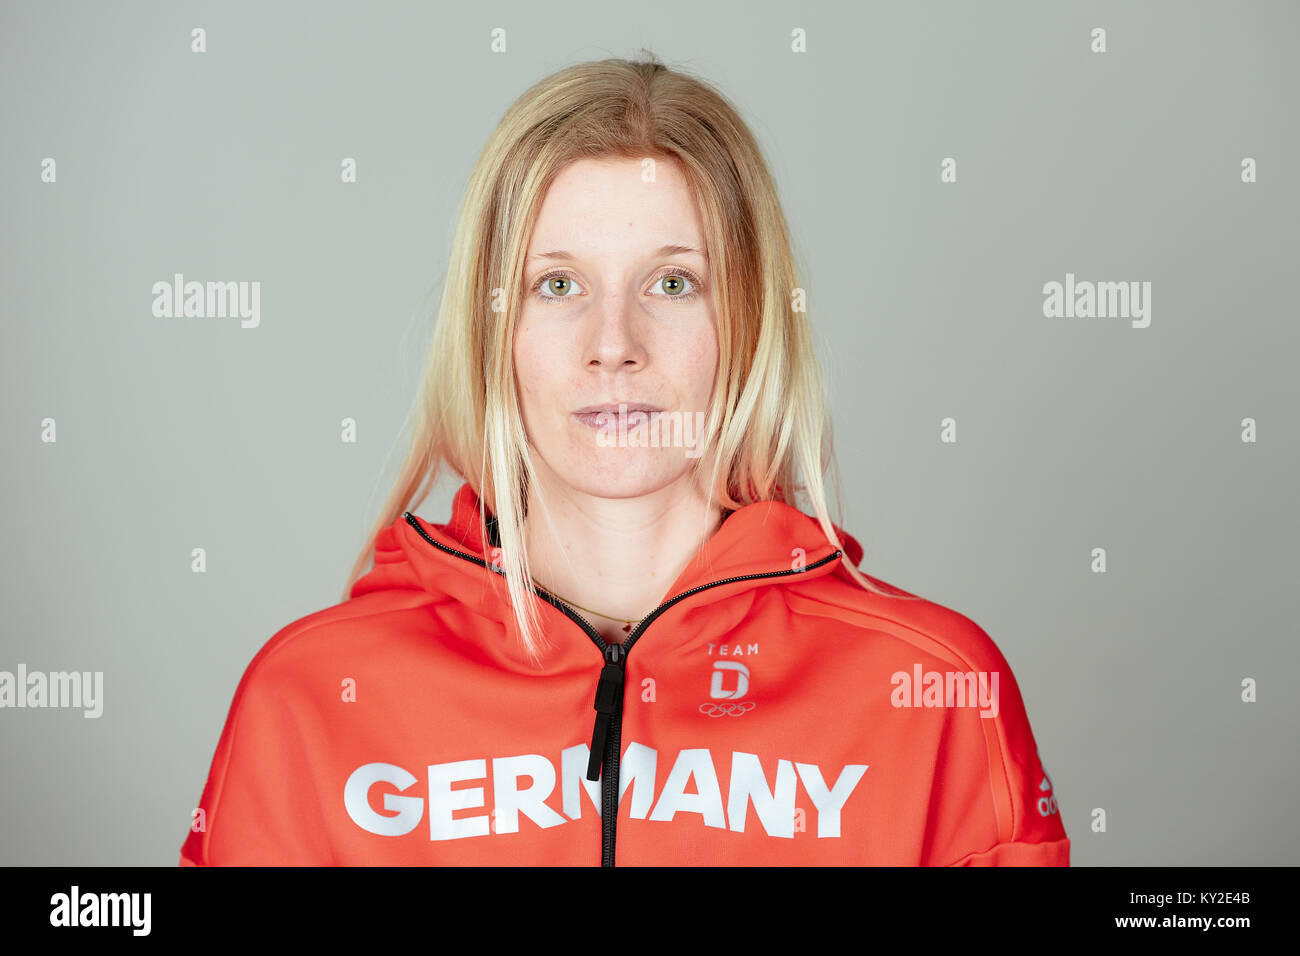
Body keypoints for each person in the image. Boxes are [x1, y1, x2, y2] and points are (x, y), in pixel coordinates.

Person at [180, 54, 1069, 866]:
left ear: (749, 322)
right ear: (496, 332)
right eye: (556, 285)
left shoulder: (934, 692)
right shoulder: (311, 698)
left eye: (672, 283)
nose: (614, 343)